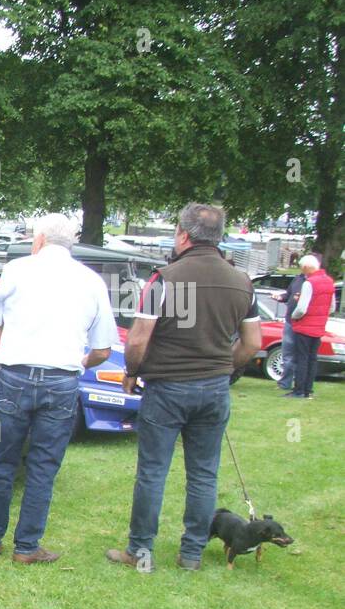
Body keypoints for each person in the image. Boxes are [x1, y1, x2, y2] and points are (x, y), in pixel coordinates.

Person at [105, 203, 262, 572]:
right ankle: (191, 554)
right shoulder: (242, 282)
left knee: (153, 472)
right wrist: (226, 368)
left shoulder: (165, 279)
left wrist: (131, 371)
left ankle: (140, 550)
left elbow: (139, 340)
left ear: (183, 235)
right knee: (204, 474)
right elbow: (252, 344)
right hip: (214, 389)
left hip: (168, 388)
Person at [0, 212, 116, 564]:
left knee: (3, 460)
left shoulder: (16, 270)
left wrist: (9, 340)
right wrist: (79, 363)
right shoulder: (92, 281)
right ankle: (26, 547)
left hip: (14, 375)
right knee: (43, 466)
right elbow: (102, 349)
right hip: (62, 380)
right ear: (71, 243)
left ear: (38, 240)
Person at [286, 253, 334, 398]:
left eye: (302, 268)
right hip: (319, 327)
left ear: (307, 267)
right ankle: (308, 390)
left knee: (302, 358)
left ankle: (299, 390)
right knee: (312, 358)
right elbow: (331, 307)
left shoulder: (309, 283)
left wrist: (293, 317)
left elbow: (301, 308)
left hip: (305, 326)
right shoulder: (329, 281)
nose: (301, 271)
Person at [275, 254, 316, 389]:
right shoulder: (298, 279)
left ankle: (299, 384)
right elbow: (288, 295)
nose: (301, 269)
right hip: (289, 321)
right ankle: (285, 382)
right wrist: (280, 297)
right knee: (287, 354)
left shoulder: (312, 282)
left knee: (301, 355)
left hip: (303, 323)